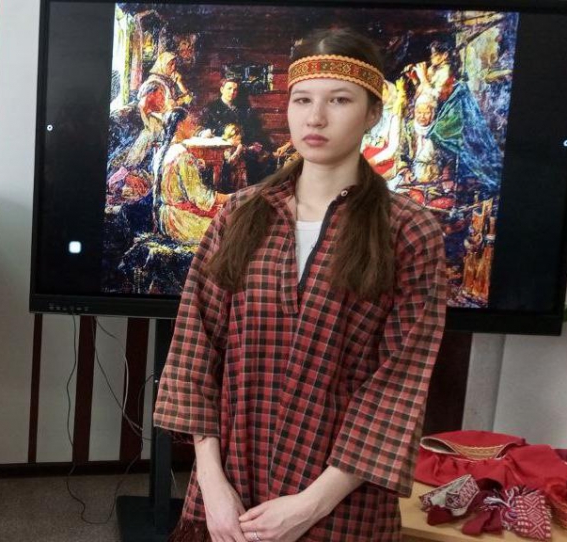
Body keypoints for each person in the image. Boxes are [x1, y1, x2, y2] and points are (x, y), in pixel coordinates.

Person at [154, 28, 447, 542]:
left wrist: (311, 505)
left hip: (341, 503)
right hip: (230, 493)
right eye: (303, 99)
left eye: (340, 100)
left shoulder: (408, 231)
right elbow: (197, 349)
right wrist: (212, 484)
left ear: (372, 113)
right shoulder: (240, 216)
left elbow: (399, 384)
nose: (315, 118)